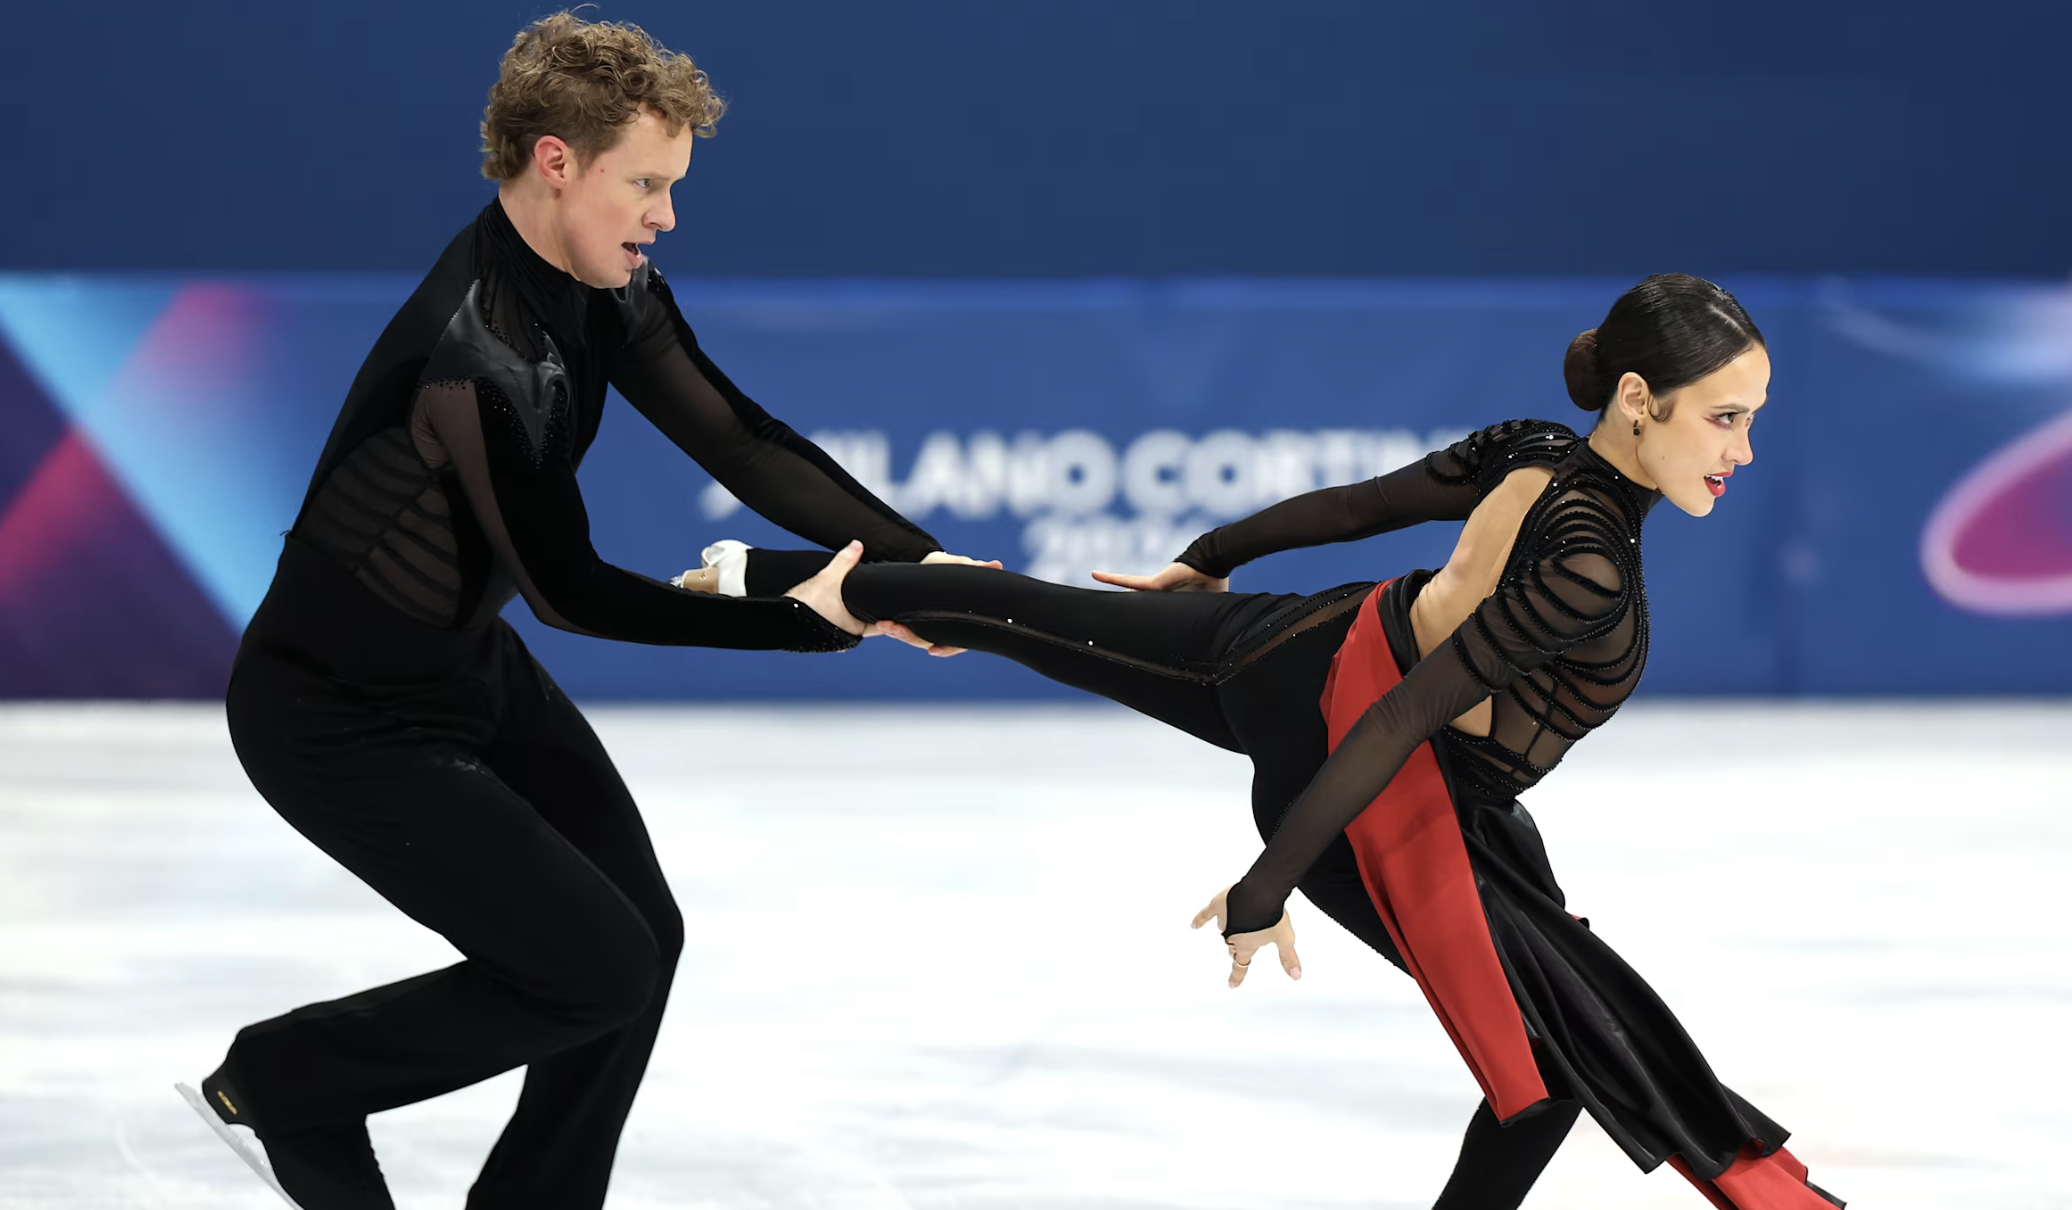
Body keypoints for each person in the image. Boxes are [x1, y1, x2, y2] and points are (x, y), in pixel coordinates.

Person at [698, 275, 1843, 1209]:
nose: (1740, 450)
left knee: (1030, 617)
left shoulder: (1534, 450)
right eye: (1723, 418)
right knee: (1543, 1075)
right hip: (1366, 770)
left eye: (1752, 420)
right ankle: (785, 582)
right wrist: (1266, 883)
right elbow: (1400, 716)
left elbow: (1351, 511)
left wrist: (1211, 553)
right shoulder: (1587, 561)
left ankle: (772, 576)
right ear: (1638, 397)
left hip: (1312, 648)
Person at [176, 13, 988, 1210]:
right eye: (645, 184)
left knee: (637, 942)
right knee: (591, 966)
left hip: (462, 667)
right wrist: (805, 622)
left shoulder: (605, 287)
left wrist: (920, 571)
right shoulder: (473, 353)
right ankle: (290, 1074)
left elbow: (738, 436)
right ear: (556, 161)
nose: (663, 215)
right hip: (333, 715)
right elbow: (571, 592)